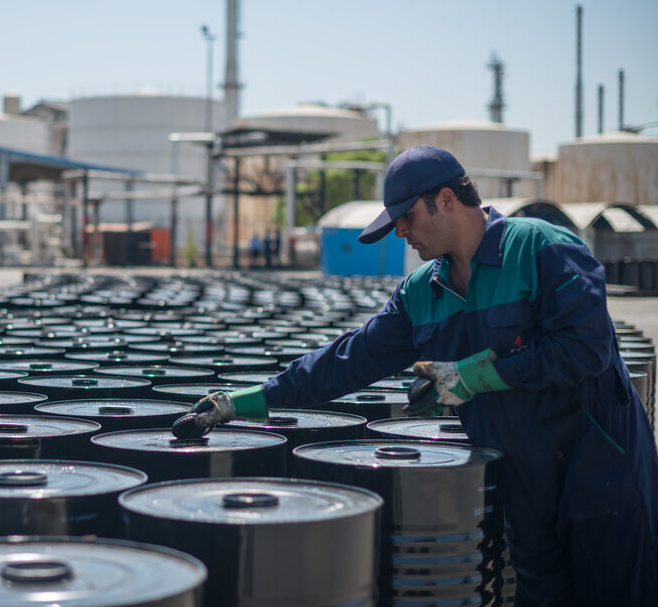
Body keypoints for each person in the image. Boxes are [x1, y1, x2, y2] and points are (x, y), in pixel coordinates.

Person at [176, 145, 658, 604]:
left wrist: (476, 375)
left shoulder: (540, 248)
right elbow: (347, 360)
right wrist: (246, 400)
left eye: (407, 217)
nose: (401, 232)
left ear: (446, 199)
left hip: (600, 473)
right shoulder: (422, 292)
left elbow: (585, 349)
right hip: (524, 482)